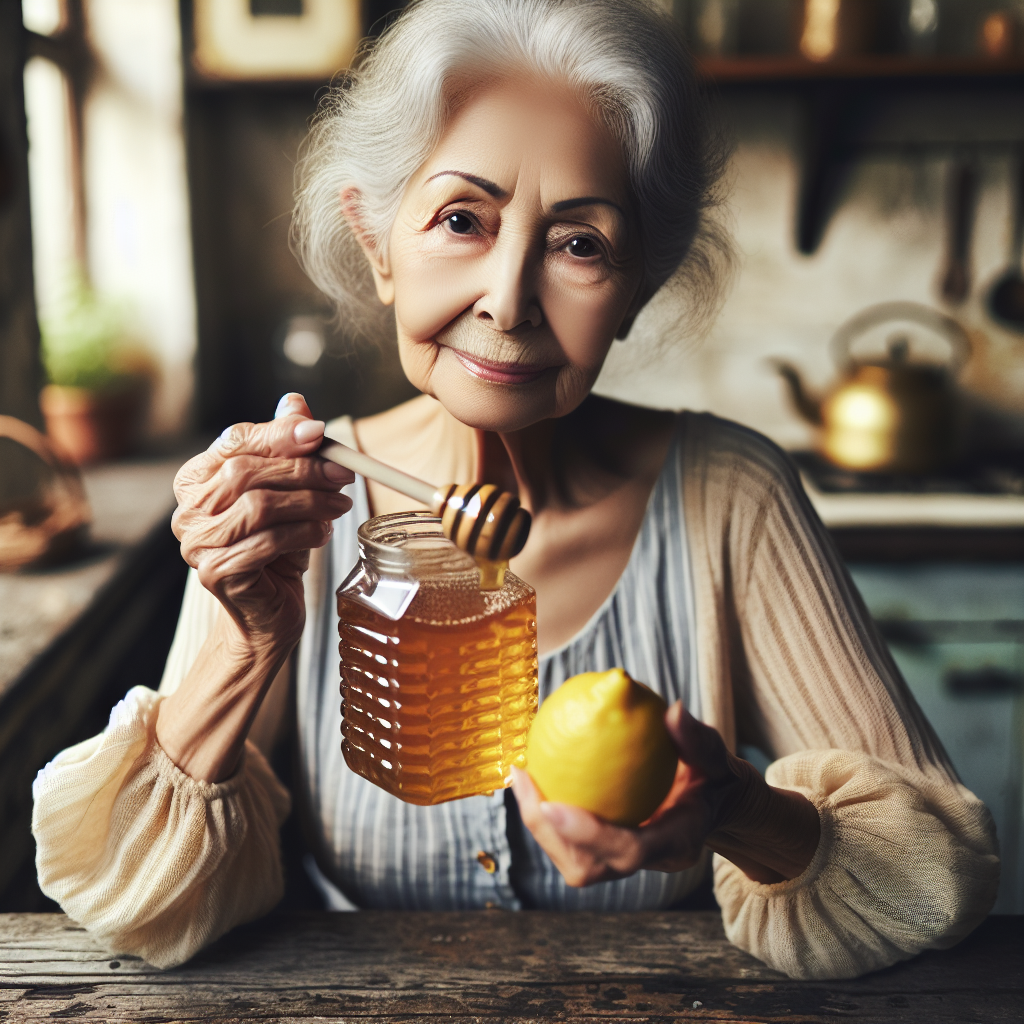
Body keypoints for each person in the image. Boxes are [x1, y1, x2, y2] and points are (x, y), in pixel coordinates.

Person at [33, 0, 998, 979]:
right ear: (377, 245)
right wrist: (246, 643)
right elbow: (141, 911)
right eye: (461, 219)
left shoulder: (731, 494)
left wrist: (738, 812)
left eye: (580, 245)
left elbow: (932, 878)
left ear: (636, 288)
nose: (506, 298)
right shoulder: (299, 502)